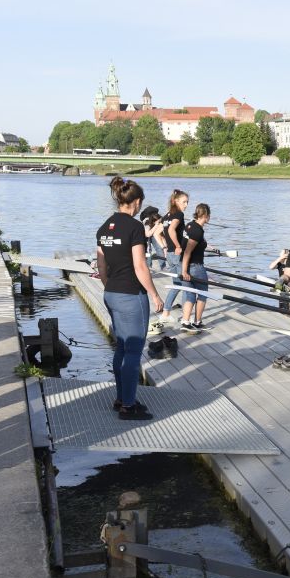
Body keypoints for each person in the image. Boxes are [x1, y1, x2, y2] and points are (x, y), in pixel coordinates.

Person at [96, 177, 163, 420]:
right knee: (133, 352)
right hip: (132, 295)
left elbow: (101, 266)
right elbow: (140, 266)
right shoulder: (135, 227)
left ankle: (121, 398)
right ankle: (128, 406)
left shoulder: (104, 227)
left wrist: (110, 286)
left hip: (111, 293)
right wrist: (155, 294)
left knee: (122, 348)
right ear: (136, 202)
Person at [158, 189, 189, 324]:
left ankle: (166, 313)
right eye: (184, 202)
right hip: (176, 254)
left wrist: (165, 246)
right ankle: (185, 317)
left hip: (170, 255)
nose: (186, 205)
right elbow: (171, 230)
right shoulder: (179, 214)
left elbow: (157, 233)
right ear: (176, 201)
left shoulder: (166, 216)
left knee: (177, 285)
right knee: (187, 285)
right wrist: (177, 246)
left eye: (187, 202)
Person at [179, 203, 211, 333]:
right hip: (195, 267)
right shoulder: (198, 230)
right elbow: (187, 251)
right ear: (206, 216)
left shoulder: (190, 225)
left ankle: (185, 322)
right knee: (203, 294)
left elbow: (194, 242)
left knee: (190, 294)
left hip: (186, 264)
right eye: (209, 216)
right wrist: (184, 271)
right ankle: (197, 322)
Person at [140, 206, 166, 270]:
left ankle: (163, 266)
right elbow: (147, 234)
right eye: (155, 213)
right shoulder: (146, 221)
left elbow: (161, 234)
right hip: (145, 237)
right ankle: (149, 267)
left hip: (153, 234)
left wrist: (164, 246)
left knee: (159, 248)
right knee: (149, 250)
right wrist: (156, 225)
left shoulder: (158, 218)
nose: (156, 214)